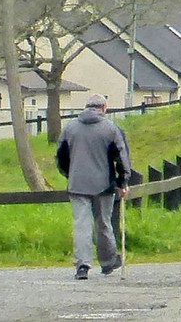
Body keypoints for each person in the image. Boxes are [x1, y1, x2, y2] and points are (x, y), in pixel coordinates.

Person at [56, 94, 131, 280]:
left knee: (81, 225)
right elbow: (121, 157)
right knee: (103, 223)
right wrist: (123, 182)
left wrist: (70, 174)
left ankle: (82, 265)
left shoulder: (70, 128)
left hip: (77, 184)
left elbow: (61, 156)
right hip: (103, 185)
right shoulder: (111, 129)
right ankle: (108, 262)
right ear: (104, 107)